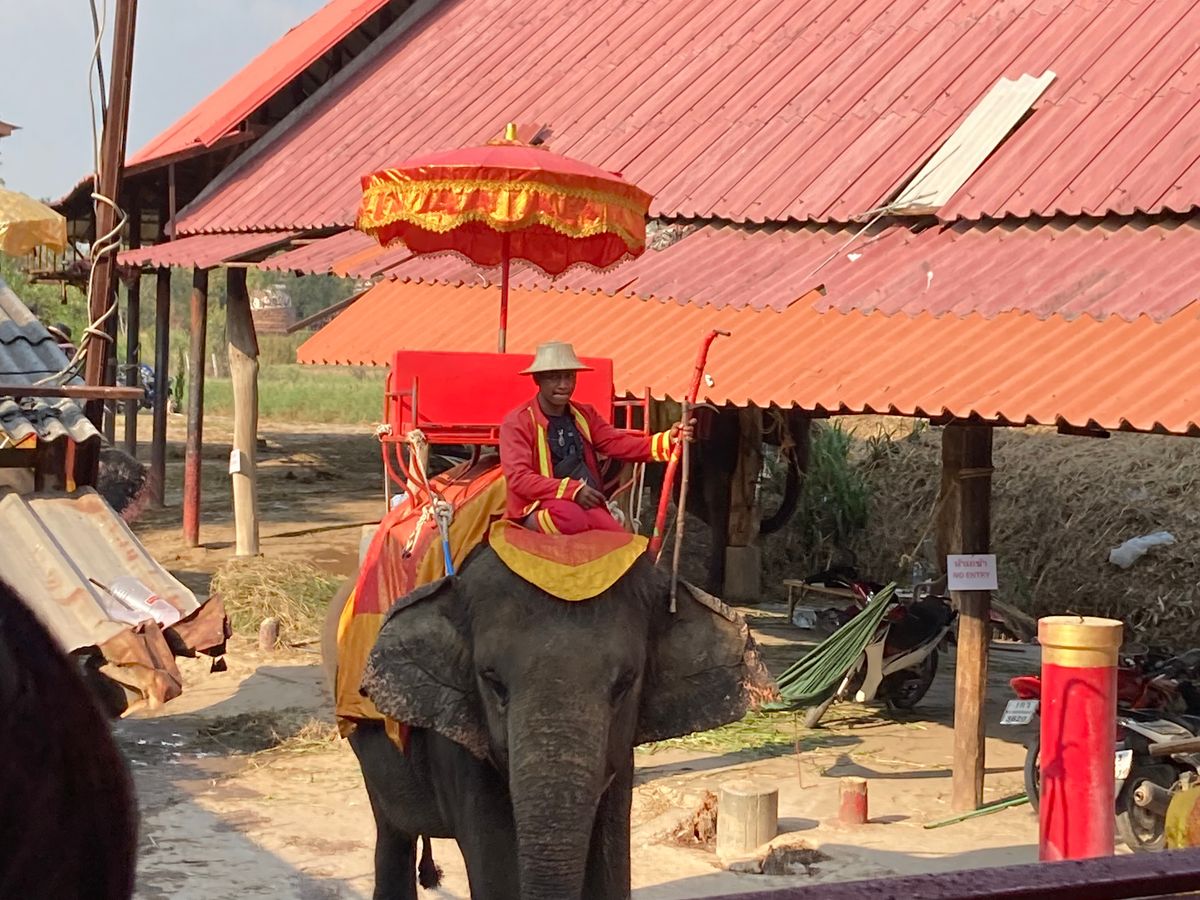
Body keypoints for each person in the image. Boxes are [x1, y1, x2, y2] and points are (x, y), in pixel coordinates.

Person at [499, 341, 694, 535]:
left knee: (619, 538)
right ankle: (528, 525)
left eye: (569, 376)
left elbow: (617, 443)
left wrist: (669, 440)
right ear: (537, 379)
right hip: (540, 504)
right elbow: (519, 478)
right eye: (554, 378)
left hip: (584, 501)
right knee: (570, 517)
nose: (564, 385)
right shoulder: (518, 422)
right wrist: (572, 490)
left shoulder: (584, 414)